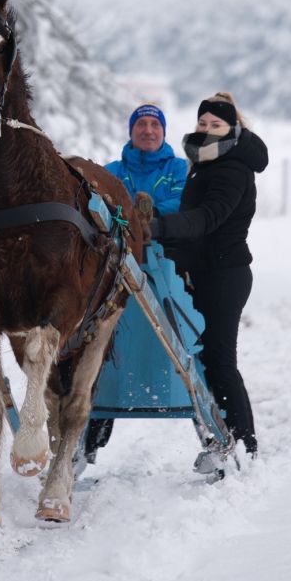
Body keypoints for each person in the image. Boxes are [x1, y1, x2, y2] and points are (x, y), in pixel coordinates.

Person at [150, 92, 267, 472]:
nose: (206, 130)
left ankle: (244, 447)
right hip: (204, 271)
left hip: (225, 275)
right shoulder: (206, 162)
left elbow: (206, 219)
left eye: (215, 125)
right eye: (202, 124)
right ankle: (223, 437)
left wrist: (158, 227)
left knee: (219, 360)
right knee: (203, 361)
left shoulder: (232, 168)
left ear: (232, 128)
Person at [81, 104, 188, 464]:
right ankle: (88, 442)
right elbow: (94, 202)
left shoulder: (178, 169)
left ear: (163, 131)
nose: (147, 130)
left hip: (165, 269)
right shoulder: (112, 171)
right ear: (131, 131)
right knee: (106, 355)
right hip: (113, 273)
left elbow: (182, 203)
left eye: (154, 124)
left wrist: (150, 211)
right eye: (140, 124)